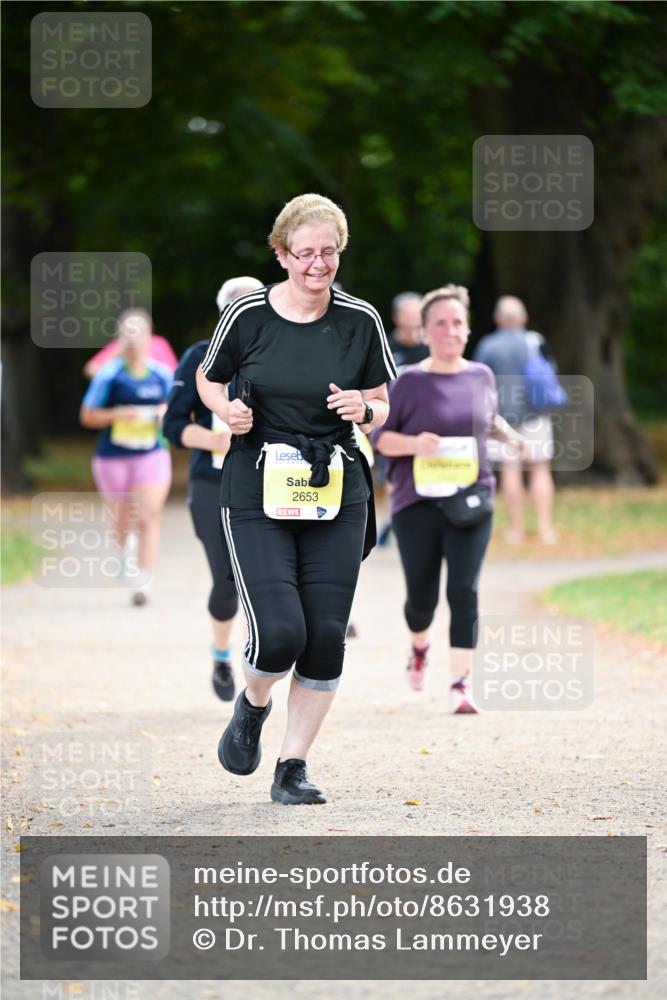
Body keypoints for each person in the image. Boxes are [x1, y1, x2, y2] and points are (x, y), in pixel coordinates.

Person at [196, 193, 395, 804]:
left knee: (326, 633)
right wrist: (224, 408)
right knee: (280, 631)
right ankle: (253, 704)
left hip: (337, 485)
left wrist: (366, 409)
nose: (317, 264)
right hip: (257, 483)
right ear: (281, 255)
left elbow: (383, 403)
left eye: (328, 252)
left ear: (340, 252)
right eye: (304, 253)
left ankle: (292, 767)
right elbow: (209, 378)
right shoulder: (249, 315)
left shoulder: (361, 320)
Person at [374, 285, 524, 710]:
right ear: (424, 331)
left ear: (468, 328)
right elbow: (380, 440)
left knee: (463, 589)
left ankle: (460, 683)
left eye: (457, 322)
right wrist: (415, 444)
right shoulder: (407, 381)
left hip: (472, 497)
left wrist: (510, 436)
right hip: (417, 502)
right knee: (421, 598)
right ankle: (419, 646)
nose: (450, 330)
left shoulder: (481, 375)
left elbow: (486, 418)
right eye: (440, 323)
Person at [163, 276, 263, 701]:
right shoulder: (200, 356)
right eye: (238, 306)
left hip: (267, 482)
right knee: (226, 582)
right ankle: (221, 655)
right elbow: (172, 425)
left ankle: (259, 663)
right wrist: (212, 439)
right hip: (211, 482)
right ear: (224, 313)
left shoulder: (278, 352)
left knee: (264, 580)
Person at [79, 309, 173, 606]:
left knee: (148, 517)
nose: (132, 339)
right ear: (119, 339)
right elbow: (87, 416)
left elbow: (178, 409)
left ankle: (144, 582)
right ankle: (123, 553)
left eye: (138, 333)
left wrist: (163, 414)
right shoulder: (109, 374)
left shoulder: (161, 373)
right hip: (112, 457)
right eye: (127, 333)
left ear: (149, 337)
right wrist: (118, 414)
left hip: (151, 453)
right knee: (121, 519)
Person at [473, 295, 558, 544]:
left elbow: (479, 381)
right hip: (536, 414)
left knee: (510, 469)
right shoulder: (536, 341)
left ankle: (516, 530)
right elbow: (550, 373)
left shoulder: (487, 345)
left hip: (502, 419)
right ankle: (544, 529)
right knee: (540, 468)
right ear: (523, 318)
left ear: (497, 319)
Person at [83, 313, 178, 379]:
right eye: (129, 332)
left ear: (149, 331)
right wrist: (117, 353)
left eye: (139, 331)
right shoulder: (118, 345)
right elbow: (90, 370)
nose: (133, 338)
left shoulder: (159, 344)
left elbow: (174, 375)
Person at [386, 291, 429, 370]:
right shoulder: (384, 348)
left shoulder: (433, 346)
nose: (412, 320)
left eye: (415, 314)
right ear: (395, 317)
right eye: (406, 315)